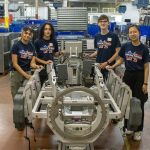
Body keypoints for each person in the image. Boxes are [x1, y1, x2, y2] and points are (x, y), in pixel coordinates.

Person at [107, 24, 149, 141]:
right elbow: (121, 60)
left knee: (139, 103)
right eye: (130, 32)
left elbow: (146, 67)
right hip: (128, 75)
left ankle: (138, 130)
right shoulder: (126, 46)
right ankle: (128, 127)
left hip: (139, 76)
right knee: (127, 102)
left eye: (134, 32)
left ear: (139, 33)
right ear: (128, 34)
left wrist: (145, 83)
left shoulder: (144, 49)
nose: (132, 34)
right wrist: (113, 66)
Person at [10, 26, 50, 99]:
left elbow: (32, 63)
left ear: (31, 36)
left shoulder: (31, 46)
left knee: (26, 97)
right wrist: (26, 75)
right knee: (16, 98)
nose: (27, 35)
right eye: (25, 33)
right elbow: (15, 64)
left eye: (29, 34)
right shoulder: (16, 46)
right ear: (22, 33)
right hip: (16, 74)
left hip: (27, 72)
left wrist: (37, 66)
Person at [86, 14, 121, 80]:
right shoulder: (97, 36)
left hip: (109, 66)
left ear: (108, 23)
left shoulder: (114, 36)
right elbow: (98, 50)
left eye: (105, 21)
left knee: (108, 87)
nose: (103, 23)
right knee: (98, 84)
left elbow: (118, 52)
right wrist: (90, 55)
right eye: (101, 21)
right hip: (99, 65)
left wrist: (107, 62)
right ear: (98, 24)